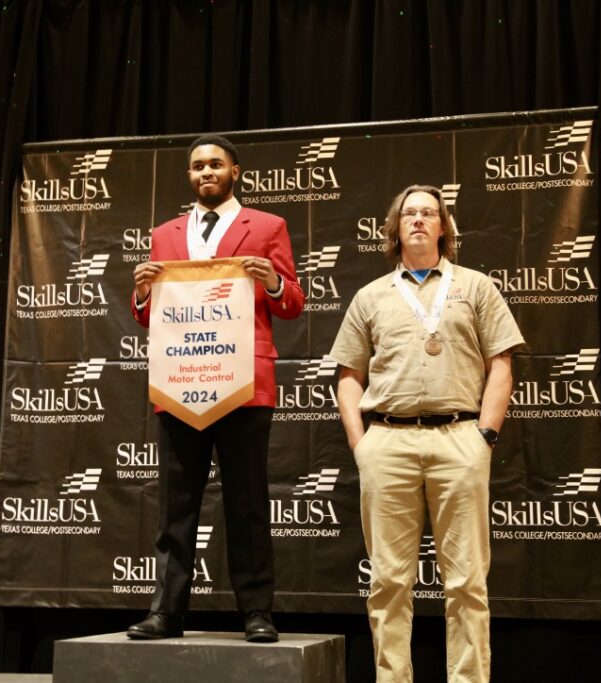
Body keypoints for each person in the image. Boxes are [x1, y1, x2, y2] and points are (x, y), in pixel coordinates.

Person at [329, 185, 525, 682]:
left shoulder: (476, 287)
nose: (418, 220)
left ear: (444, 228)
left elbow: (500, 366)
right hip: (388, 444)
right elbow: (349, 378)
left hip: (460, 439)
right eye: (409, 214)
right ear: (395, 228)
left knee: (466, 582)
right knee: (389, 581)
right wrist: (362, 445)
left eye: (429, 214)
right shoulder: (370, 296)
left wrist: (484, 437)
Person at [126, 135, 304, 643]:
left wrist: (272, 281)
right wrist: (141, 295)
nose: (207, 171)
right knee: (175, 503)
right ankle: (166, 612)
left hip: (244, 383)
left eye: (216, 164)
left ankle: (256, 613)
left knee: (246, 500)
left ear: (235, 171)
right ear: (189, 175)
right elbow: (151, 315)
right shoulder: (165, 233)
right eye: (198, 165)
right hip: (180, 379)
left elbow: (292, 303)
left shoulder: (268, 227)